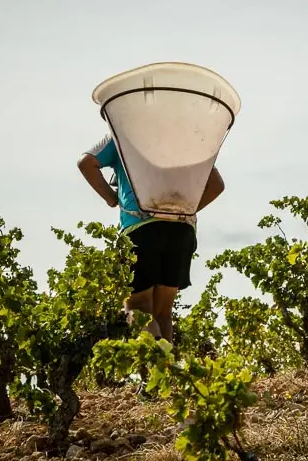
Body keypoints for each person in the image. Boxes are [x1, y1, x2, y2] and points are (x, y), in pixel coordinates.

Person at [78, 132, 225, 345]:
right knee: (164, 313)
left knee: (136, 307)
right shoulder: (187, 137)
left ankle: (156, 355)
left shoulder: (123, 131)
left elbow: (86, 163)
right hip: (181, 230)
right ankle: (164, 371)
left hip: (140, 228)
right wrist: (183, 211)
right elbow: (217, 185)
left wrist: (111, 199)